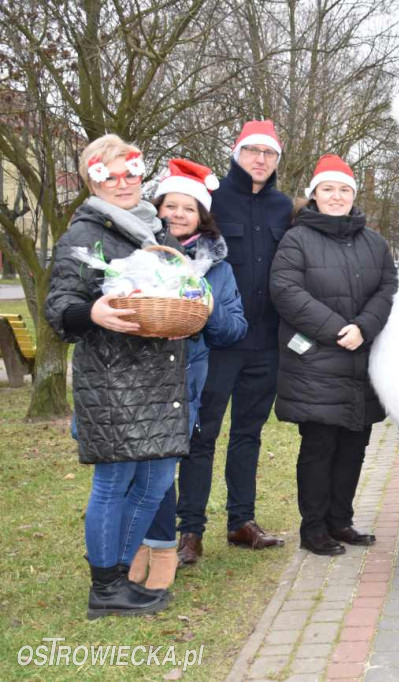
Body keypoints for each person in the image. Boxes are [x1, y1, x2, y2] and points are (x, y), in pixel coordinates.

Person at [45, 135, 188, 618]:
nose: (124, 183)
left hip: (158, 379)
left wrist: (185, 309)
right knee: (114, 481)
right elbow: (60, 309)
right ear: (92, 179)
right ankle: (104, 587)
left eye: (132, 172)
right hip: (112, 384)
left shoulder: (154, 230)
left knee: (155, 479)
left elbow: (178, 285)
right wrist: (95, 314)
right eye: (111, 175)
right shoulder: (84, 235)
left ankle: (122, 575)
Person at [127, 159, 248, 590]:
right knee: (144, 460)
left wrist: (208, 304)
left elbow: (235, 329)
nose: (177, 214)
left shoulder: (217, 267)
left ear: (202, 217)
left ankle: (189, 533)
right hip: (140, 379)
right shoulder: (135, 254)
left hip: (195, 376)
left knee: (196, 449)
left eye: (188, 209)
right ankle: (141, 543)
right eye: (170, 206)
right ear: (157, 208)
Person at [176, 120, 293, 563]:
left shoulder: (284, 208)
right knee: (201, 436)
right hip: (216, 344)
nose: (260, 160)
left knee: (248, 434)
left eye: (269, 153)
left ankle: (241, 521)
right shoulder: (213, 203)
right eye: (253, 151)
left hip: (266, 344)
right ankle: (190, 531)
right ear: (236, 152)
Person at [270, 155, 398, 556]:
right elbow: (286, 290)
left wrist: (364, 326)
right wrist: (337, 330)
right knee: (319, 446)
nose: (337, 196)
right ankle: (314, 529)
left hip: (361, 361)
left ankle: (341, 521)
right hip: (316, 363)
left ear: (354, 195)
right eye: (328, 189)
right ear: (314, 196)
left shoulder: (374, 243)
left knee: (354, 445)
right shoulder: (296, 239)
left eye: (344, 189)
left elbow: (390, 289)